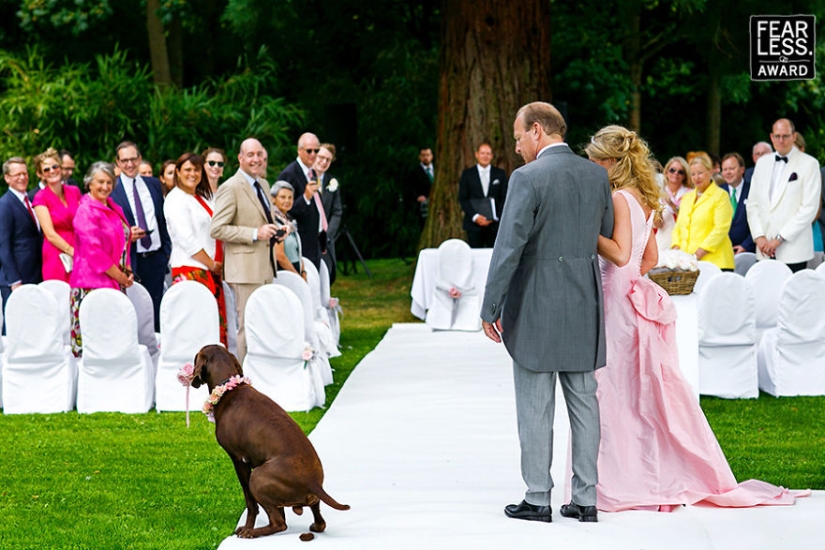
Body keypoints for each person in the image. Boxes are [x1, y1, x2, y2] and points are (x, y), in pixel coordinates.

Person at [584, 124, 808, 512]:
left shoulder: (619, 198)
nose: (591, 169)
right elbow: (648, 260)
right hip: (634, 295)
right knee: (640, 392)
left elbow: (620, 255)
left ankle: (620, 477)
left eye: (595, 162)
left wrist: (585, 231)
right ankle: (644, 471)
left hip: (617, 301)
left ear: (610, 162)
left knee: (615, 391)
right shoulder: (642, 197)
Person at [481, 102, 614, 524]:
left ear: (537, 131)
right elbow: (604, 234)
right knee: (584, 403)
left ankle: (538, 498)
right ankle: (586, 499)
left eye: (519, 136)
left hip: (537, 304)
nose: (517, 145)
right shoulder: (596, 175)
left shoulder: (527, 178)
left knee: (535, 407)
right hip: (584, 303)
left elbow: (507, 249)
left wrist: (490, 307)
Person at [210, 137, 280, 362]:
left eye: (259, 154)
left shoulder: (264, 185)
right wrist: (253, 234)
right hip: (244, 270)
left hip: (266, 267)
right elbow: (217, 228)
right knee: (248, 328)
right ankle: (245, 380)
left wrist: (277, 230)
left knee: (264, 325)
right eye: (250, 155)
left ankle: (263, 373)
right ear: (240, 158)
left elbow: (262, 220)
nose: (256, 159)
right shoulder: (230, 187)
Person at [69, 162, 134, 357]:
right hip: (91, 286)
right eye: (100, 182)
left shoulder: (114, 207)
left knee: (114, 341)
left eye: (108, 182)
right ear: (89, 183)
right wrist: (122, 278)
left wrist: (127, 268)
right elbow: (95, 253)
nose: (105, 187)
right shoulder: (86, 211)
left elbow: (125, 240)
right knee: (95, 345)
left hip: (115, 281)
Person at [164, 152, 227, 346]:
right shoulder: (176, 199)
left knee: (213, 325)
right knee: (197, 327)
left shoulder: (201, 197)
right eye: (188, 170)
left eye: (196, 170)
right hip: (191, 269)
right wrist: (211, 263)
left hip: (210, 269)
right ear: (178, 172)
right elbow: (187, 239)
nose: (193, 174)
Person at [746, 118, 822, 273]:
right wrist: (759, 237)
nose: (781, 140)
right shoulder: (762, 163)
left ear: (794, 137)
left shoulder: (810, 164)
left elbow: (809, 209)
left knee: (792, 296)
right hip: (764, 250)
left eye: (785, 136)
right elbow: (752, 203)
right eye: (777, 136)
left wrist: (779, 239)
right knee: (764, 294)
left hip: (794, 251)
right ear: (771, 137)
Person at [110, 141, 172, 331]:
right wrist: (126, 234)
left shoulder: (153, 184)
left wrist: (166, 251)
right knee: (134, 312)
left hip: (156, 257)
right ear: (118, 163)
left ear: (139, 159)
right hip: (132, 260)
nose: (129, 164)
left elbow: (162, 219)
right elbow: (109, 226)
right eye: (124, 160)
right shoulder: (112, 190)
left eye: (133, 159)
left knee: (157, 312)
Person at [0, 157, 43, 328]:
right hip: (16, 278)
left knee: (32, 324)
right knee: (14, 326)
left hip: (35, 274)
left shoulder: (31, 199)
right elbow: (3, 245)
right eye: (17, 174)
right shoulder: (4, 204)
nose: (22, 177)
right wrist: (14, 281)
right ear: (7, 178)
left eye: (24, 173)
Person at [671, 156, 734, 270]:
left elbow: (721, 229)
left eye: (700, 173)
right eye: (693, 174)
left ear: (710, 172)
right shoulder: (687, 197)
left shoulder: (721, 195)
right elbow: (678, 227)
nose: (696, 177)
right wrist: (676, 249)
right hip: (688, 263)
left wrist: (698, 254)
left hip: (715, 263)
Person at [277, 132, 326, 271]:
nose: (313, 154)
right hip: (300, 242)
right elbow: (283, 211)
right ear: (299, 150)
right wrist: (305, 197)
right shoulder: (289, 174)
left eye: (316, 150)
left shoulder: (312, 173)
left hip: (315, 240)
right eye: (309, 150)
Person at [32, 147, 82, 282]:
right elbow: (50, 234)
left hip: (80, 248)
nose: (52, 171)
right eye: (46, 170)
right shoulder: (40, 198)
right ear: (40, 175)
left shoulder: (74, 191)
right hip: (57, 254)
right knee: (61, 297)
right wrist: (71, 251)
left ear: (60, 168)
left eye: (54, 166)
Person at [459, 143, 509, 248]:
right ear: (476, 154)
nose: (485, 156)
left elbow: (504, 198)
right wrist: (475, 217)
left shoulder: (500, 174)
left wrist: (494, 217)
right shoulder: (467, 174)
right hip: (473, 226)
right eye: (482, 153)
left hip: (494, 226)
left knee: (494, 256)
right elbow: (463, 199)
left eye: (488, 153)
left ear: (491, 156)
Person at [312, 143, 343, 283]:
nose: (323, 162)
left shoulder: (332, 182)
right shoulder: (303, 178)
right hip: (307, 238)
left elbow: (337, 211)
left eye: (328, 160)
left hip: (326, 241)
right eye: (321, 157)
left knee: (326, 278)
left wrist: (327, 234)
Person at [719, 152, 755, 254]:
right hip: (722, 252)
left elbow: (759, 221)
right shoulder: (717, 193)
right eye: (725, 169)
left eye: (731, 168)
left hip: (747, 252)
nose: (728, 172)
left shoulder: (753, 191)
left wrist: (746, 245)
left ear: (742, 170)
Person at [654, 156, 692, 251]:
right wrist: (659, 208)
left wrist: (672, 205)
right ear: (666, 172)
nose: (676, 174)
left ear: (684, 176)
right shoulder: (658, 193)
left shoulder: (690, 194)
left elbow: (690, 219)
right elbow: (658, 224)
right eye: (672, 170)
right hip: (662, 242)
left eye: (680, 172)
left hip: (684, 242)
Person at [269, 180, 305, 278]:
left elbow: (297, 250)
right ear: (273, 199)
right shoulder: (273, 221)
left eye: (290, 197)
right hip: (284, 273)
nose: (287, 201)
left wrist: (303, 271)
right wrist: (297, 276)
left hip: (296, 270)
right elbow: (279, 255)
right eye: (282, 197)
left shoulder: (289, 220)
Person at [405, 147, 434, 229]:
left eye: (428, 155)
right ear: (420, 157)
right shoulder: (414, 172)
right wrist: (417, 197)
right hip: (423, 206)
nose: (426, 158)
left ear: (431, 156)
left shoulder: (439, 169)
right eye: (423, 155)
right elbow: (409, 187)